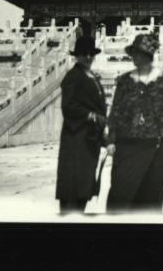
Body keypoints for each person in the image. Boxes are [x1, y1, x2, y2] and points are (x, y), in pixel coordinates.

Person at [106, 33, 163, 213]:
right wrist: (111, 141)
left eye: (138, 54)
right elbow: (115, 113)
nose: (134, 58)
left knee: (151, 200)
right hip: (128, 147)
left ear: (148, 56)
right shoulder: (124, 81)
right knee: (121, 198)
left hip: (157, 148)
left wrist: (155, 124)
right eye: (134, 54)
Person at [55, 36, 107, 214]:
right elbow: (68, 107)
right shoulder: (73, 76)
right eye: (84, 54)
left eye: (91, 54)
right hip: (76, 136)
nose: (88, 58)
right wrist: (91, 116)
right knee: (73, 182)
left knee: (84, 183)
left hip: (90, 137)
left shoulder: (91, 75)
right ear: (77, 56)